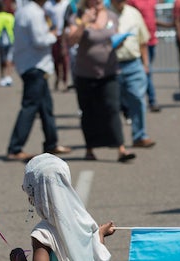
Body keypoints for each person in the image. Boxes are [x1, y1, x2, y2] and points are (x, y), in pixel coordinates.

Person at [66, 0, 136, 162]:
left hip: (109, 71)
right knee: (88, 112)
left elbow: (114, 38)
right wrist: (84, 23)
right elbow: (71, 40)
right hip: (85, 74)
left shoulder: (112, 16)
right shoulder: (77, 17)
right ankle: (89, 149)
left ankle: (121, 149)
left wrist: (120, 42)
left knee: (112, 108)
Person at [4, 0, 72, 162]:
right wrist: (53, 35)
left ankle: (51, 142)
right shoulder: (34, 13)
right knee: (30, 107)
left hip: (32, 65)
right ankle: (15, 148)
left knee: (45, 107)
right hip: (35, 66)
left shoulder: (24, 11)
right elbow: (40, 40)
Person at [110, 0, 156, 148]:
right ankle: (115, 139)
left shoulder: (134, 13)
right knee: (112, 104)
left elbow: (143, 40)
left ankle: (139, 136)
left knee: (137, 99)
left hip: (133, 63)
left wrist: (145, 64)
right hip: (111, 65)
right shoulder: (104, 14)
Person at [127, 0, 161, 112]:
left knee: (146, 71)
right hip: (140, 42)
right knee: (146, 72)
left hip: (151, 40)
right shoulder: (132, 2)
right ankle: (151, 100)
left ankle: (145, 100)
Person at [45, 0, 71, 91]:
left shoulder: (66, 3)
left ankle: (65, 81)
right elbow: (46, 18)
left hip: (65, 34)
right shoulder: (48, 5)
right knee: (56, 58)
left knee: (64, 58)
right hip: (54, 35)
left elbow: (69, 18)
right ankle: (57, 77)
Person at [0, 0, 16, 87]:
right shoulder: (10, 17)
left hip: (0, 42)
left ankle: (2, 77)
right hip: (10, 41)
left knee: (2, 60)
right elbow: (14, 28)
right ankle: (8, 76)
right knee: (9, 60)